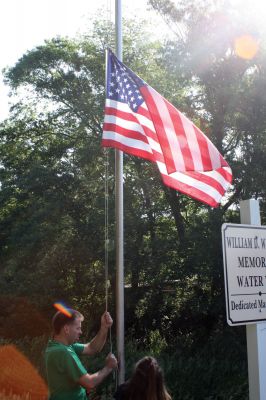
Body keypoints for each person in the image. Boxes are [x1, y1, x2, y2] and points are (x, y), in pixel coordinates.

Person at [45, 308, 117, 400]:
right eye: (78, 328)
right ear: (66, 329)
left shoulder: (58, 345)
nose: (81, 332)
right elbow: (89, 383)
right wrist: (109, 367)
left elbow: (92, 348)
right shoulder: (62, 352)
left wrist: (104, 327)